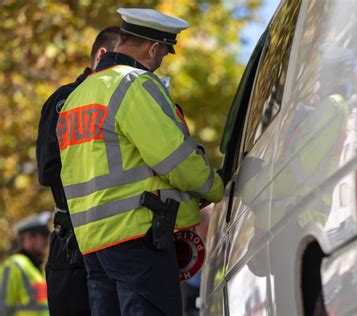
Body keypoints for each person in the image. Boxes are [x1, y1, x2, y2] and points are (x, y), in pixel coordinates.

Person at [57, 8, 224, 316]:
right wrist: (216, 187)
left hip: (93, 245)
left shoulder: (77, 97)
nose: (160, 62)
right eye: (163, 54)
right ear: (153, 48)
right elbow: (174, 159)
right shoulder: (134, 84)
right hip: (137, 239)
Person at [35, 26, 120, 316]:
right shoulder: (67, 99)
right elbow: (48, 169)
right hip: (73, 241)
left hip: (118, 238)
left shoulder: (126, 99)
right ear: (102, 55)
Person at [0, 212, 51, 316]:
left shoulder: (35, 267)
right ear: (28, 238)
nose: (46, 240)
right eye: (43, 235)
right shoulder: (14, 265)